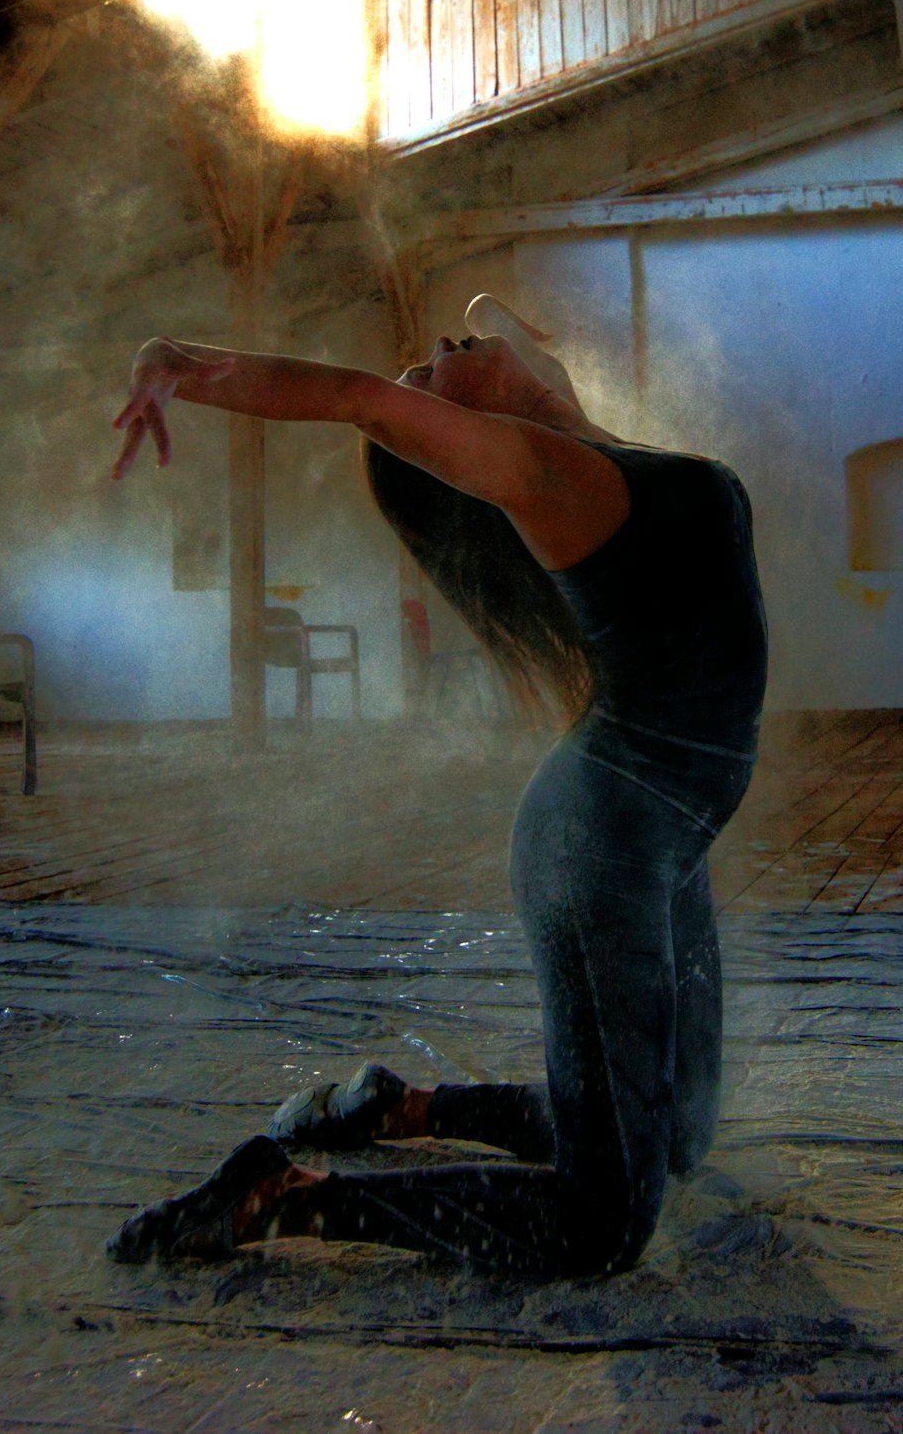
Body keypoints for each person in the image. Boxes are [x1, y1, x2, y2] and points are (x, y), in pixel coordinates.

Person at [105, 293, 767, 1277]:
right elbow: (362, 401)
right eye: (433, 372)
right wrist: (177, 358)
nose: (445, 348)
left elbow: (505, 335)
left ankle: (401, 1107)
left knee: (676, 1138)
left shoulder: (578, 437)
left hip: (667, 834)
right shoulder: (550, 477)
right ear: (468, 434)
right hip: (604, 848)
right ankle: (280, 1198)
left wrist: (497, 326)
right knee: (602, 1223)